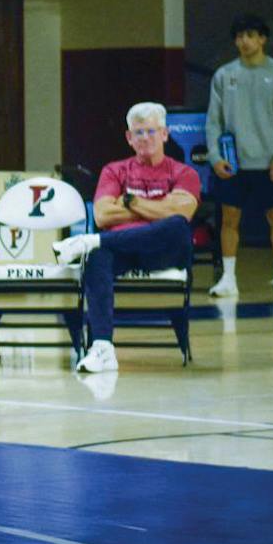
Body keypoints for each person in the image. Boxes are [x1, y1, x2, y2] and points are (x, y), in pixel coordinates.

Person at [53, 103, 199, 374]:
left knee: (177, 226)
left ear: (166, 134)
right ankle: (103, 348)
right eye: (138, 132)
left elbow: (181, 212)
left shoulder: (184, 173)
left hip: (164, 251)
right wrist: (157, 208)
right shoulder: (115, 170)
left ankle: (92, 241)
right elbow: (102, 215)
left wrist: (129, 202)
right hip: (124, 250)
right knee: (97, 257)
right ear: (129, 138)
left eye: (152, 131)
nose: (145, 138)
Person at [205, 14, 273, 299]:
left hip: (268, 163)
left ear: (262, 38)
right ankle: (229, 279)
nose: (244, 41)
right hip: (233, 162)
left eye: (249, 35)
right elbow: (213, 120)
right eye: (239, 36)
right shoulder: (224, 75)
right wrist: (214, 155)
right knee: (229, 220)